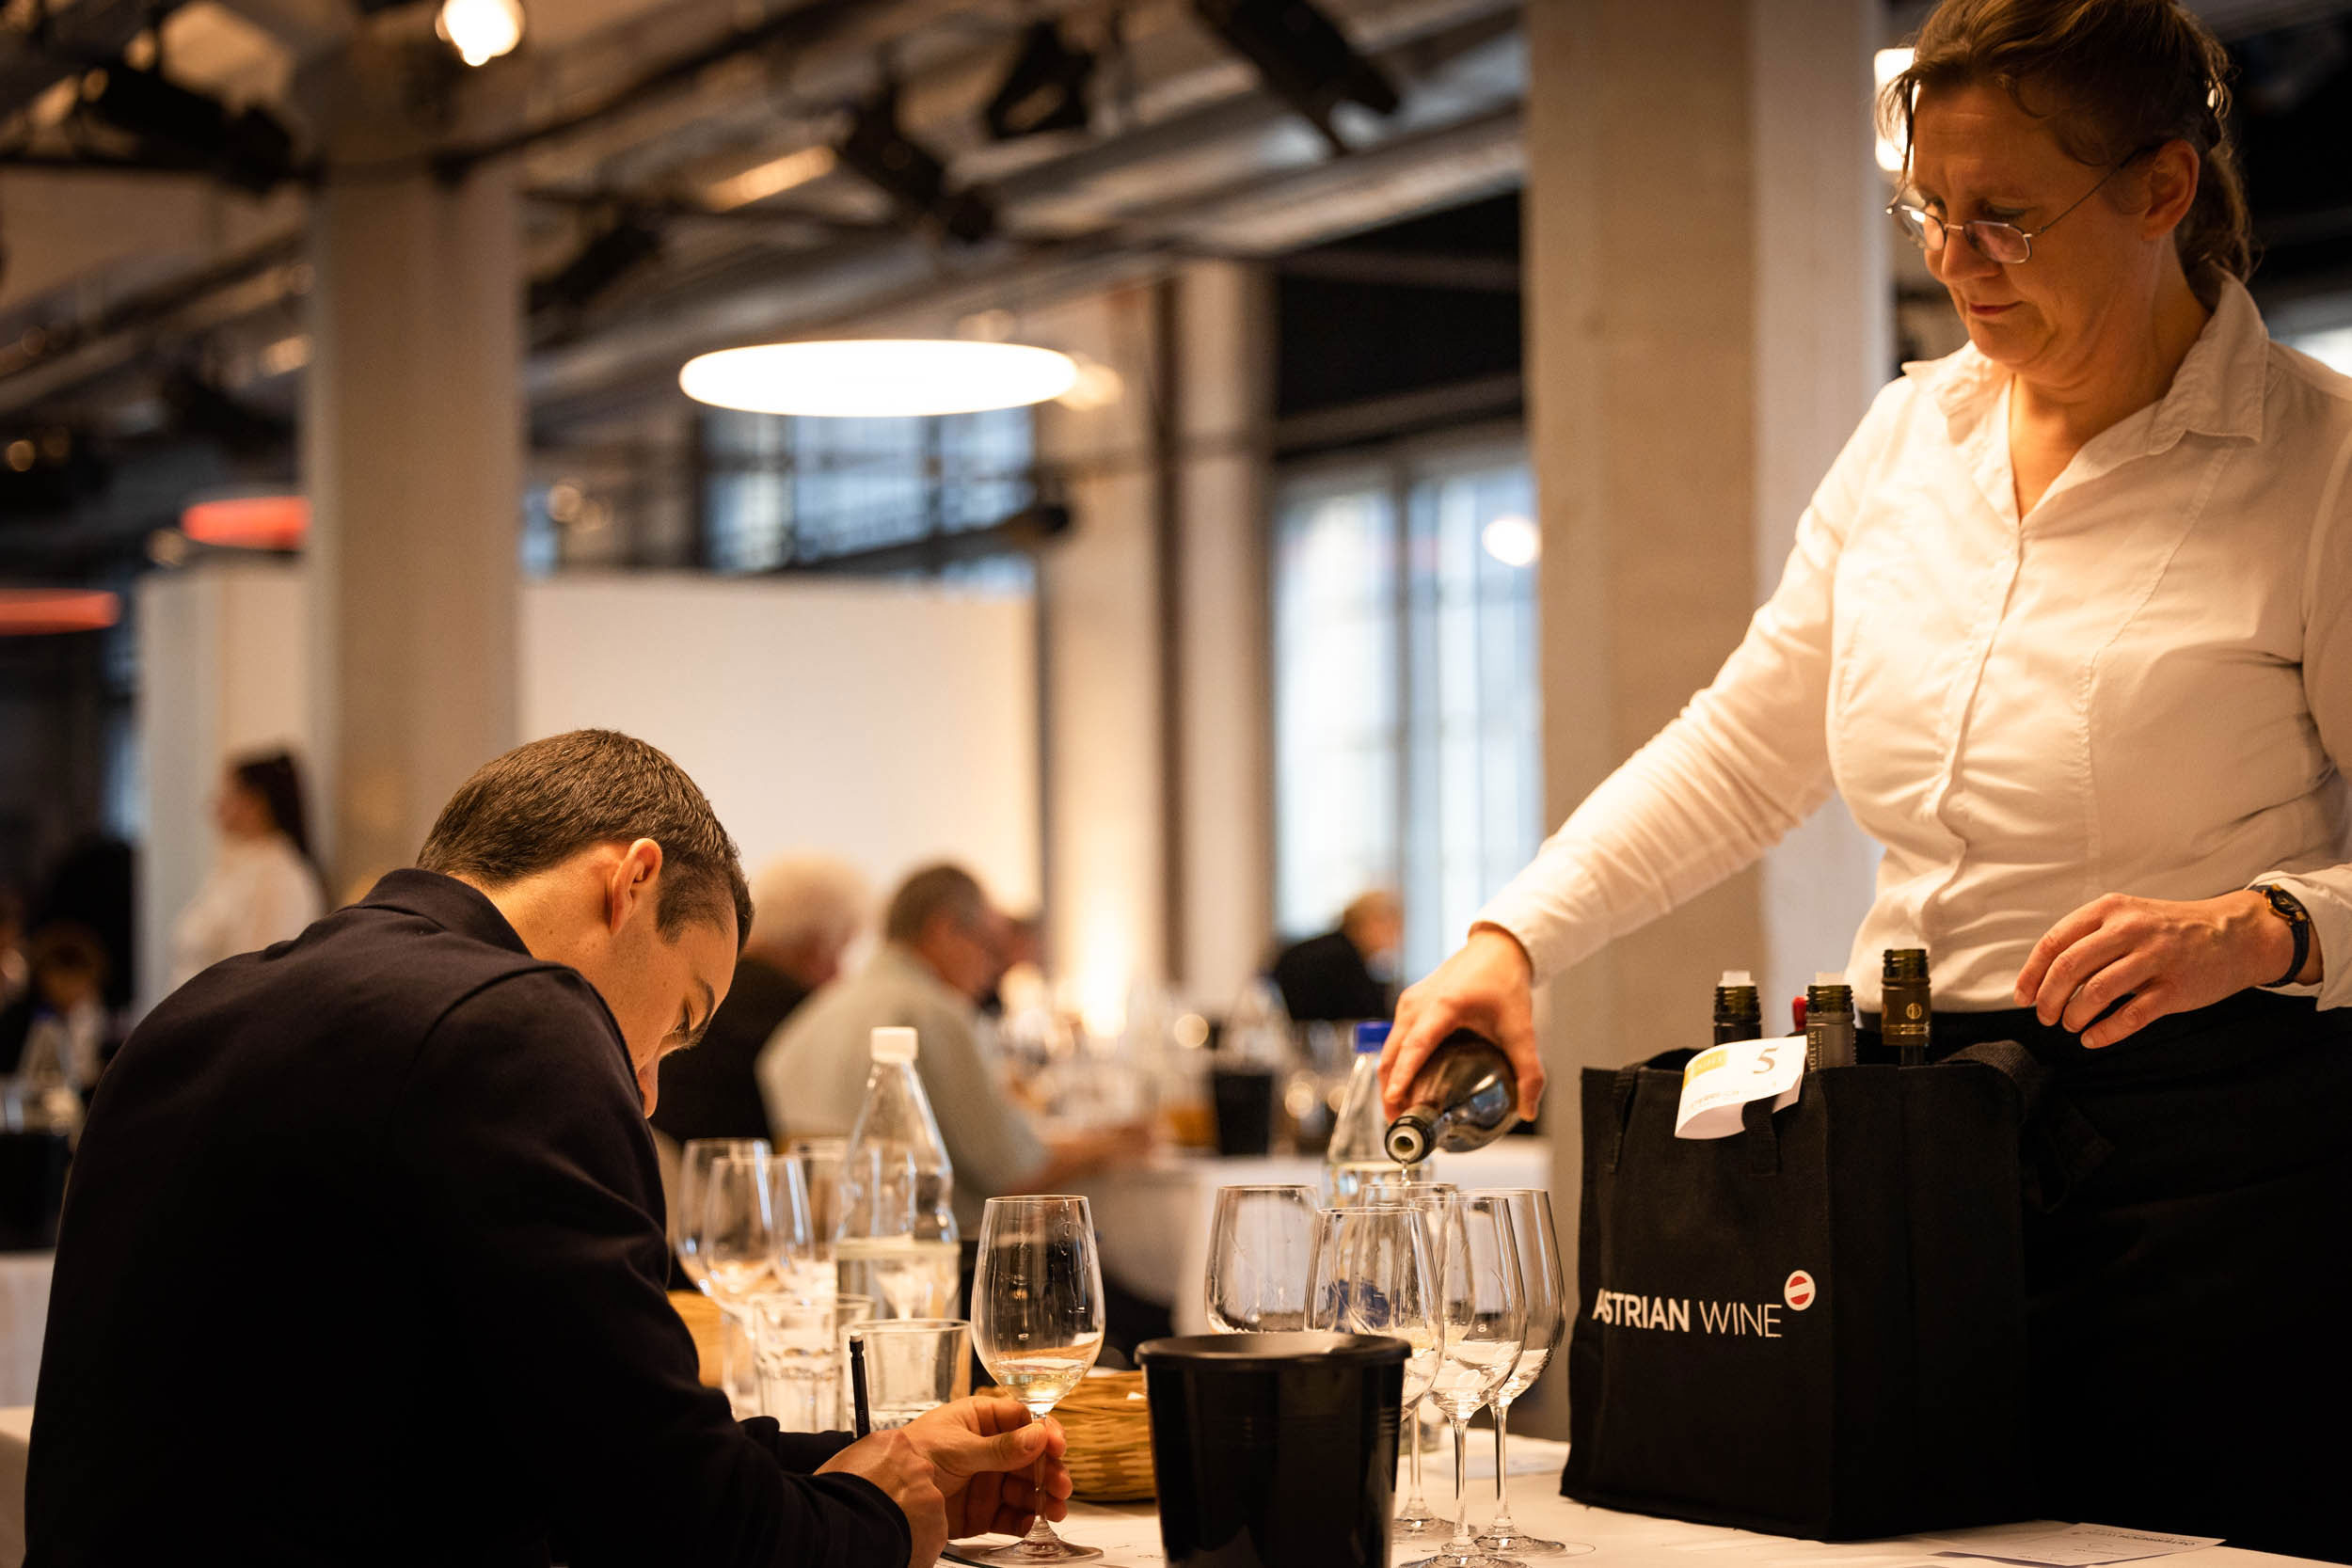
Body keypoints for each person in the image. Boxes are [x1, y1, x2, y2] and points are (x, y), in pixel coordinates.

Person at [1383, 2, 2352, 1556]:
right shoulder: (1910, 439)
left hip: (2210, 1177)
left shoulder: (2322, 461)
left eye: (2007, 218)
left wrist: (2262, 925)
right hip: (1903, 1158)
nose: (1956, 259)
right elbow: (1741, 747)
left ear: (2163, 186)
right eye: (1931, 212)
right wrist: (1512, 938)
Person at [27, 730, 1071, 1568]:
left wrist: (862, 1459)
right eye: (680, 1014)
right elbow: (685, 1533)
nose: (650, 1080)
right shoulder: (518, 1021)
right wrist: (879, 1519)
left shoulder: (206, 1005)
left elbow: (565, 1435)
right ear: (633, 882)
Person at [758, 863, 1137, 1234]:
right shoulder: (932, 1012)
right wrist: (1114, 1146)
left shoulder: (817, 1012)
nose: (994, 969)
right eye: (990, 947)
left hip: (815, 1247)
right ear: (943, 930)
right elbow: (1013, 1170)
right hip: (932, 1258)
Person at [652, 851, 870, 1148]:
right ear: (816, 946)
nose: (840, 974)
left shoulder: (712, 982)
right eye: (841, 951)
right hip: (744, 1179)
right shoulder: (797, 1011)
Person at [167, 748, 326, 990]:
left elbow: (256, 978)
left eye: (227, 793)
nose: (214, 804)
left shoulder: (277, 877)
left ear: (256, 803)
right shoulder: (244, 867)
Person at [1268, 889, 1403, 1022]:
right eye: (1393, 927)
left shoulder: (1329, 946)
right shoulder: (1342, 958)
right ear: (1372, 922)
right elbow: (1371, 1015)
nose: (1396, 937)